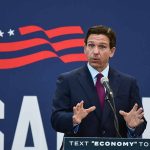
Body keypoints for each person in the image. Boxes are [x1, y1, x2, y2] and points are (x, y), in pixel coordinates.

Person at [51, 25, 147, 141]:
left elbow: (139, 121)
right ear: (85, 48)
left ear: (112, 51)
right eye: (91, 45)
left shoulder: (128, 83)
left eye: (102, 47)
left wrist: (132, 126)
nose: (95, 52)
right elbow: (56, 119)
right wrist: (73, 119)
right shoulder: (67, 80)